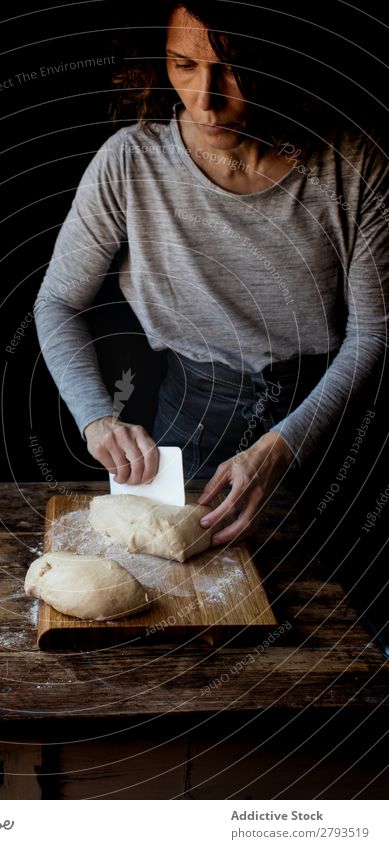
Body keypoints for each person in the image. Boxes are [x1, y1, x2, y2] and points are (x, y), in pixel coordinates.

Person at [34, 1, 388, 546]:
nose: (208, 100)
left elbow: (374, 330)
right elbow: (57, 302)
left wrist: (282, 446)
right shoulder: (129, 163)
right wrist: (96, 416)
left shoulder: (352, 164)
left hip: (332, 424)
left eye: (233, 69)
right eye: (184, 66)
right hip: (194, 420)